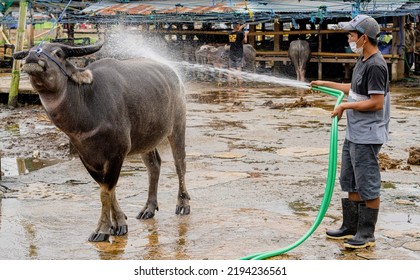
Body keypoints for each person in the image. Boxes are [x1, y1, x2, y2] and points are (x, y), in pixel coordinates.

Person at [310, 14, 390, 249]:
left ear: (364, 38)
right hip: (355, 133)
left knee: (368, 183)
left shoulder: (376, 65)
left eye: (352, 35)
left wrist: (344, 105)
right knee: (352, 181)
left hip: (368, 134)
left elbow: (376, 103)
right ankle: (350, 227)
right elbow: (353, 90)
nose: (349, 38)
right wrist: (326, 84)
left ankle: (366, 234)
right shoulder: (363, 61)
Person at [228, 22, 249, 92]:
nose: (240, 26)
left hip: (231, 54)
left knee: (230, 72)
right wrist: (246, 35)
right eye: (239, 25)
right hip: (238, 55)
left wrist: (242, 26)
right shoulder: (240, 34)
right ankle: (240, 88)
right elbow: (245, 41)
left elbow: (236, 31)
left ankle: (229, 88)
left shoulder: (230, 33)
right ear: (237, 26)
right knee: (239, 71)